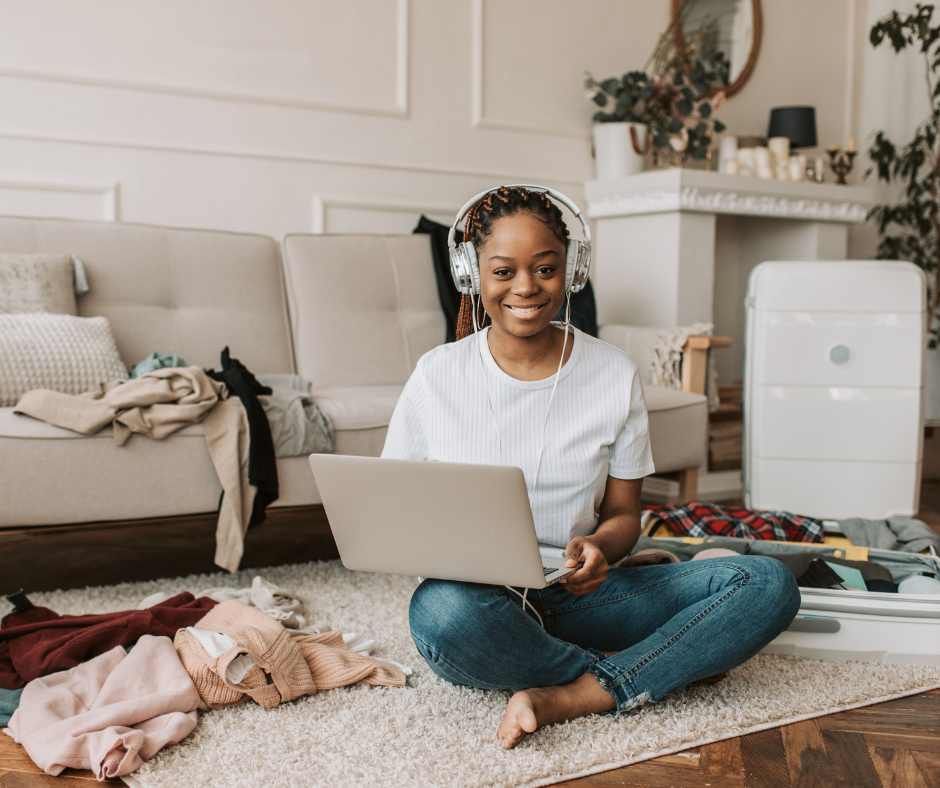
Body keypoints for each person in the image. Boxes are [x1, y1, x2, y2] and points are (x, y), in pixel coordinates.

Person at [381, 185, 800, 749]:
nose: (526, 287)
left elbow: (625, 516)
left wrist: (603, 547)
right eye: (503, 270)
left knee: (766, 583)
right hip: (481, 599)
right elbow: (397, 511)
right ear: (470, 273)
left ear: (572, 270)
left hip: (581, 594)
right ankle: (647, 667)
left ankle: (573, 693)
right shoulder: (436, 376)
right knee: (440, 615)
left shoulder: (611, 374)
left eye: (545, 268)